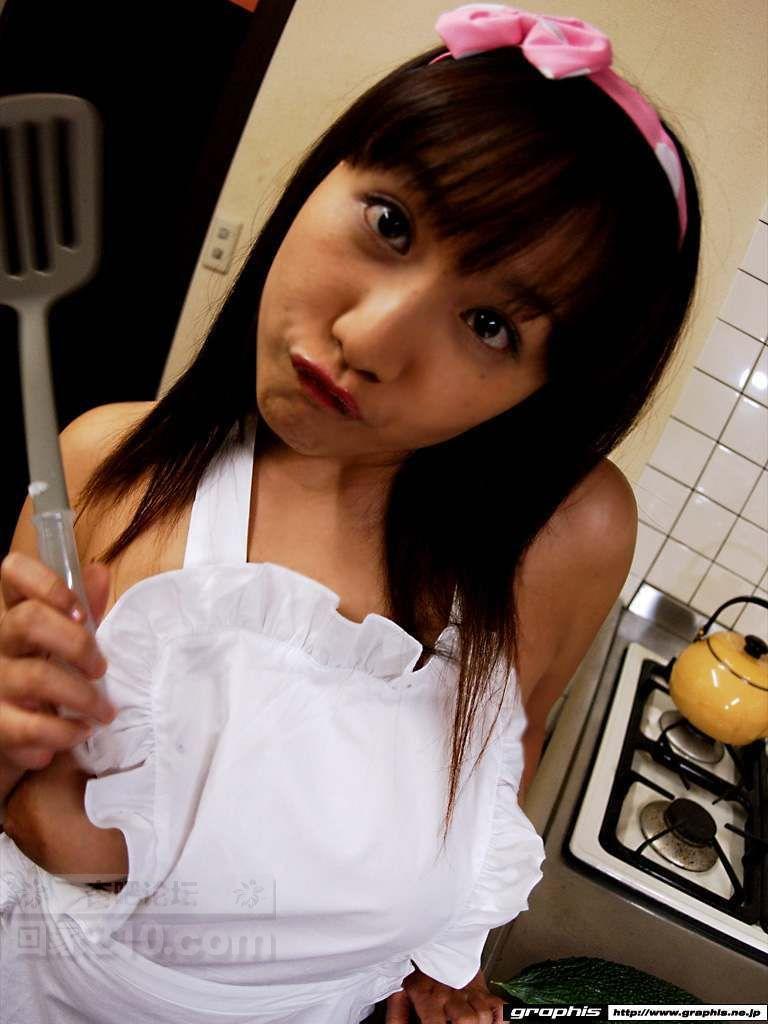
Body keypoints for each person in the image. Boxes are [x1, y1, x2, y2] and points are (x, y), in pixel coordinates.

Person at [0, 4, 700, 1022]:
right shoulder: (104, 467)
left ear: (546, 392)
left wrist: (442, 954)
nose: (370, 340)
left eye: (490, 324)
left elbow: (512, 744)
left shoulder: (567, 538)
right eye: (392, 225)